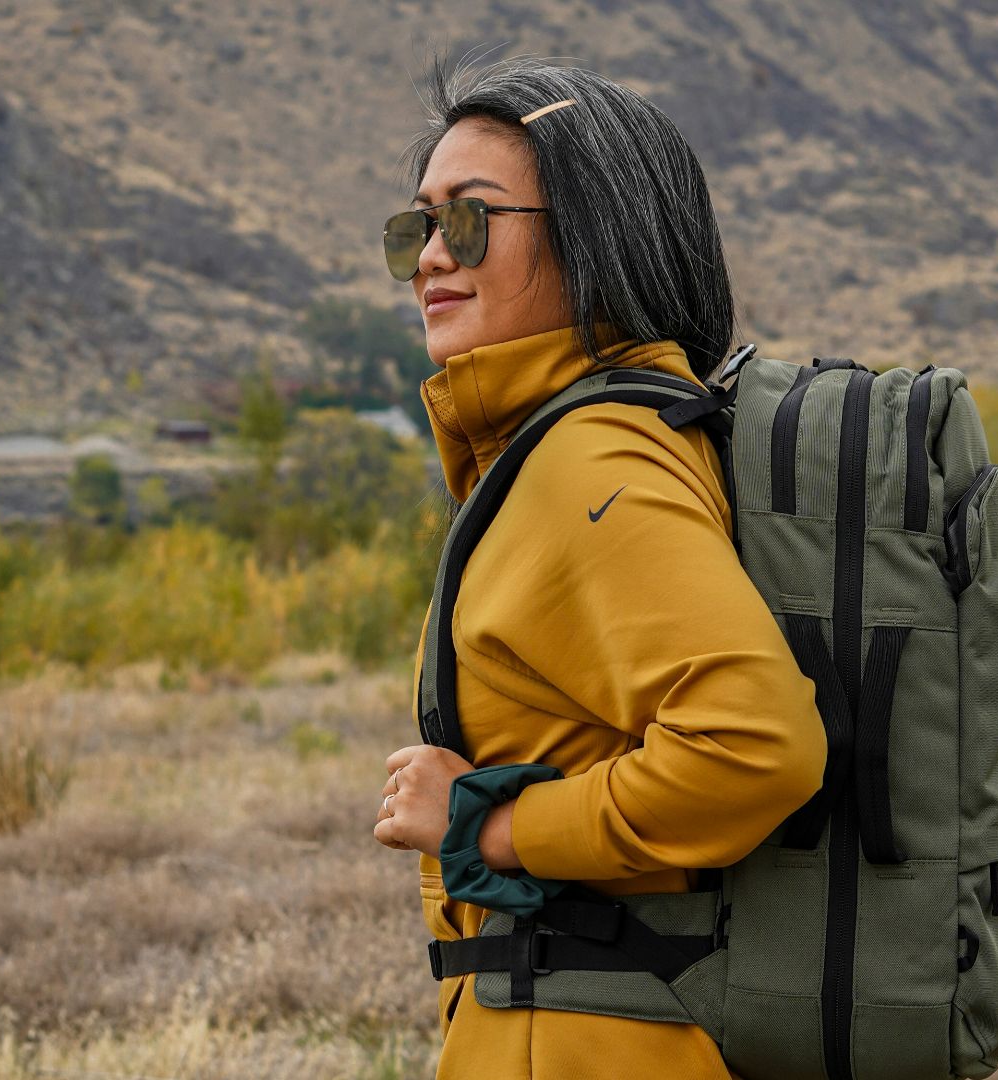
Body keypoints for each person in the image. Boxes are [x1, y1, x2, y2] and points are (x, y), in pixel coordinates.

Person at [370, 53, 827, 1080]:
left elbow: (757, 746)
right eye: (418, 227)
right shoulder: (578, 445)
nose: (432, 257)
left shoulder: (593, 458)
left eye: (473, 219)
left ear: (595, 237)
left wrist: (491, 822)